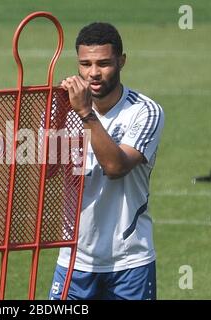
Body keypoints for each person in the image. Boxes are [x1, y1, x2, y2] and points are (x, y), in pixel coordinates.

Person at [49, 22, 164, 300]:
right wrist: (58, 115)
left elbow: (116, 167)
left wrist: (85, 113)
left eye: (103, 63)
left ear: (122, 61)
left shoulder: (145, 111)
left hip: (129, 262)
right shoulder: (61, 106)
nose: (93, 73)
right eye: (85, 64)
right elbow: (48, 171)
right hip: (74, 260)